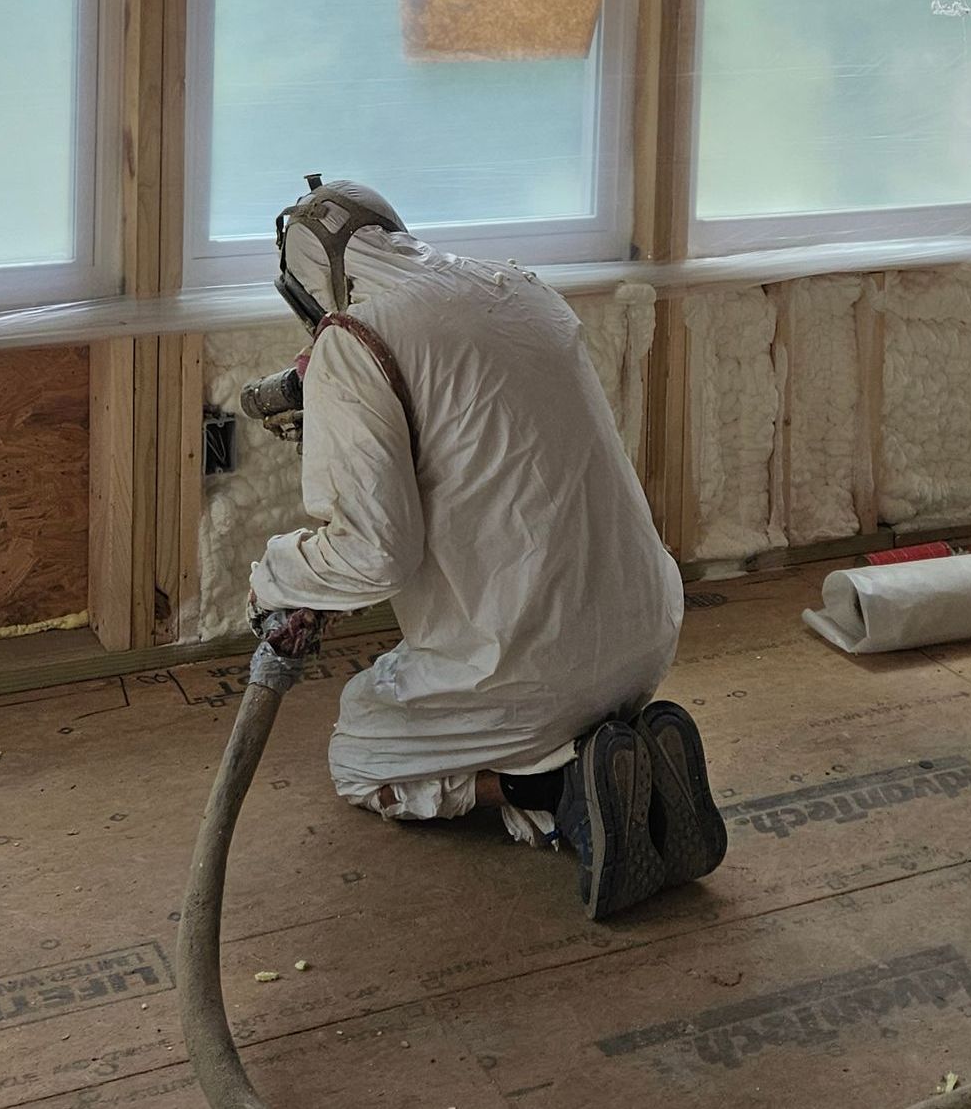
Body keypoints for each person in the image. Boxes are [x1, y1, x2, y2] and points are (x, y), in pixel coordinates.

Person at [247, 176, 726, 919]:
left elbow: (375, 555)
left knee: (358, 754)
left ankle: (561, 789)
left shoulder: (358, 339)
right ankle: (624, 754)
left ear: (311, 289)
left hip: (534, 668)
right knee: (485, 671)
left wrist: (276, 578)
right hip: (647, 629)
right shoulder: (521, 289)